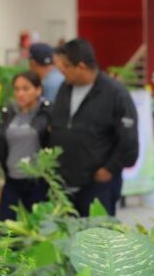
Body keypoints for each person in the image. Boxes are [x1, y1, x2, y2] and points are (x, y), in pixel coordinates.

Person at [49, 37, 139, 217]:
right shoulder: (65, 89)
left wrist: (110, 168)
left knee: (97, 239)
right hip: (65, 183)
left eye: (66, 67)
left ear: (81, 67)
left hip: (97, 184)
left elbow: (128, 140)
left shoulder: (115, 94)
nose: (61, 71)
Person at [0, 71, 52, 221]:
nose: (20, 93)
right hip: (12, 180)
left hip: (37, 182)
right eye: (17, 89)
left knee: (39, 227)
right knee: (6, 227)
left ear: (38, 90)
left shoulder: (47, 113)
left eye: (26, 89)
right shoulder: (8, 112)